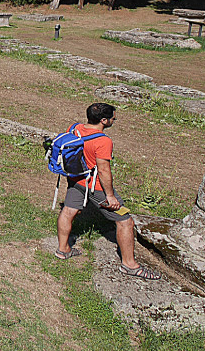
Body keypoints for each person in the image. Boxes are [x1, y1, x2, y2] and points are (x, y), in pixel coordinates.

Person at [54, 102, 160, 280]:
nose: (114, 120)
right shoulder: (103, 141)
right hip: (95, 187)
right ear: (104, 120)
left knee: (69, 210)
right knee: (125, 221)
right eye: (113, 118)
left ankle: (63, 249)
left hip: (75, 178)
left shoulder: (75, 128)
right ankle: (130, 265)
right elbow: (103, 170)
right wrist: (110, 196)